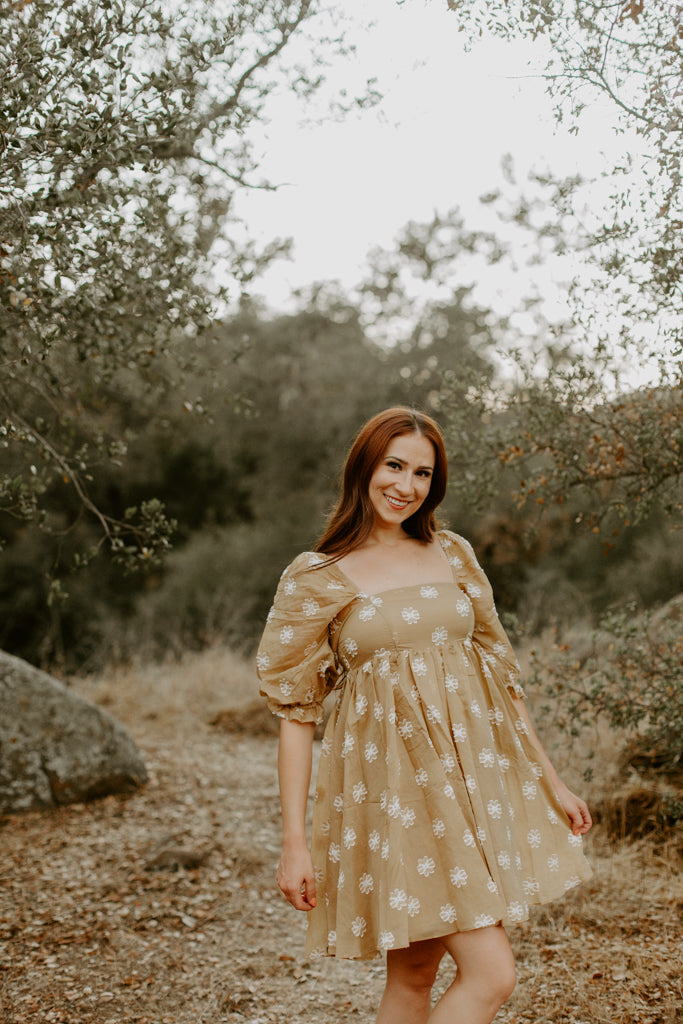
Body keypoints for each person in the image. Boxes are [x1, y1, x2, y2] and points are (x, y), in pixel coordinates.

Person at [257, 406, 592, 1024]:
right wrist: (294, 843)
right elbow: (296, 715)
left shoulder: (453, 555)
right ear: (364, 466)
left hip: (471, 787)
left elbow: (500, 677)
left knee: (413, 980)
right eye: (393, 465)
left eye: (421, 473)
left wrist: (551, 777)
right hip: (393, 794)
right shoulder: (317, 577)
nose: (404, 485)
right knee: (491, 975)